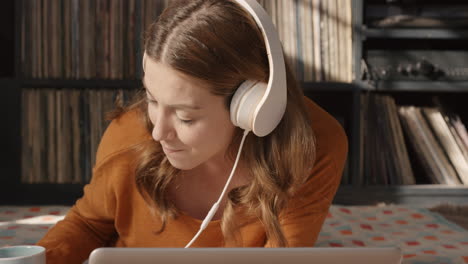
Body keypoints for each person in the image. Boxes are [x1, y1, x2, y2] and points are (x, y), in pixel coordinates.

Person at [37, 0, 348, 263]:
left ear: (252, 109)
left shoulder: (314, 144)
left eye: (185, 117)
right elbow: (89, 225)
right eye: (152, 99)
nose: (158, 131)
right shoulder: (128, 135)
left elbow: (282, 256)